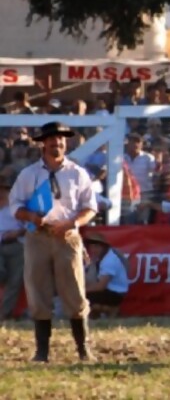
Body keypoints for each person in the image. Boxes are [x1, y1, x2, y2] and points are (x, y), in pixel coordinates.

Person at [11, 122, 98, 362]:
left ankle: (83, 349)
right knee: (38, 291)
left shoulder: (77, 173)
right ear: (43, 143)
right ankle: (42, 352)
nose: (56, 143)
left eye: (60, 139)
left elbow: (90, 208)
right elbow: (14, 206)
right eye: (51, 139)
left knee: (74, 292)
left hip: (67, 237)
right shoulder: (29, 174)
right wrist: (31, 217)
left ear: (65, 143)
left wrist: (72, 223)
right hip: (38, 236)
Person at [82, 232, 130, 318]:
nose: (93, 250)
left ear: (103, 247)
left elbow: (101, 286)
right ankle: (96, 317)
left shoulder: (109, 260)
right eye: (91, 246)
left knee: (81, 298)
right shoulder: (102, 257)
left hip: (115, 293)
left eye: (96, 246)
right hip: (111, 291)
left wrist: (81, 291)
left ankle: (110, 310)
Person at [0, 177, 25, 320]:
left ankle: (4, 315)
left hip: (16, 244)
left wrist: (18, 232)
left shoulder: (17, 207)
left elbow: (29, 225)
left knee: (14, 282)